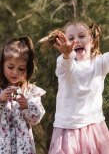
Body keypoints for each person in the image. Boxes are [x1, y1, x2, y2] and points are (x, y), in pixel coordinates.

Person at [39, 20, 109, 153]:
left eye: (82, 36)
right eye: (71, 38)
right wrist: (66, 54)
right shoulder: (65, 63)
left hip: (94, 127)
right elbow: (65, 64)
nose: (76, 40)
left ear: (92, 42)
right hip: (68, 129)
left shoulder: (100, 63)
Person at [0, 37, 46, 154]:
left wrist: (26, 106)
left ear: (27, 69)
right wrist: (0, 100)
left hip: (21, 148)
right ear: (2, 64)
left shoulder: (30, 91)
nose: (15, 72)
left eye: (21, 69)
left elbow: (36, 117)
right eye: (10, 67)